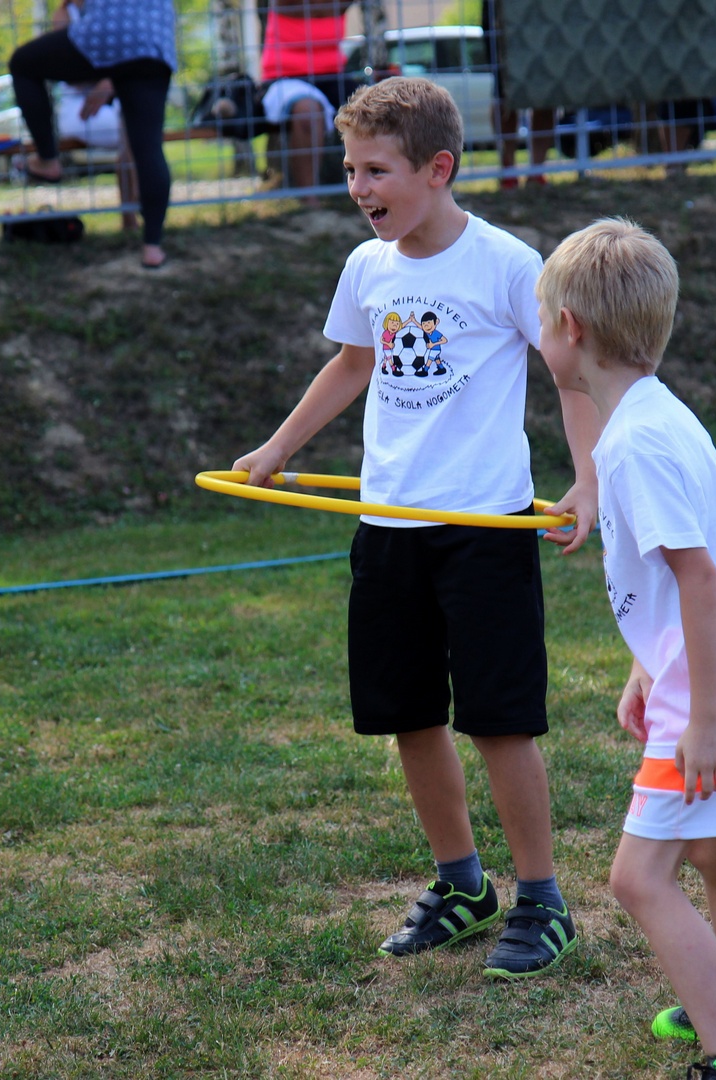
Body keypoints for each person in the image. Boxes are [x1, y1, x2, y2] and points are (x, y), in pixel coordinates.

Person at [233, 77, 600, 975]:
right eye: (350, 170)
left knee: (499, 720)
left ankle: (542, 899)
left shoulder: (506, 264)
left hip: (483, 524)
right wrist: (276, 448)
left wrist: (588, 484)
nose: (358, 188)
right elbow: (352, 363)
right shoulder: (369, 267)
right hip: (389, 519)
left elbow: (571, 374)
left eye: (376, 171)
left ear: (437, 169)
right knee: (409, 713)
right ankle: (462, 885)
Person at [537, 217, 716, 1080]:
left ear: (570, 327)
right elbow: (674, 575)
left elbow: (699, 578)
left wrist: (705, 720)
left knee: (638, 879)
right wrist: (645, 666)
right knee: (714, 850)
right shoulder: (652, 416)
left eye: (541, 320)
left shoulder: (636, 444)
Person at [8, 0, 176, 269]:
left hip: (107, 33)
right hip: (155, 39)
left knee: (22, 63)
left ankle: (48, 159)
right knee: (149, 147)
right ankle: (152, 247)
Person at [257, 0, 360, 196]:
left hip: (332, 74)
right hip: (285, 76)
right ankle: (309, 199)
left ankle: (371, 191)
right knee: (307, 112)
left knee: (374, 109)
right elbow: (314, 7)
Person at [481, 0, 554, 189]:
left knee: (545, 93)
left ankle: (537, 171)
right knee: (503, 93)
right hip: (501, 14)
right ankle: (509, 170)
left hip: (542, 13)